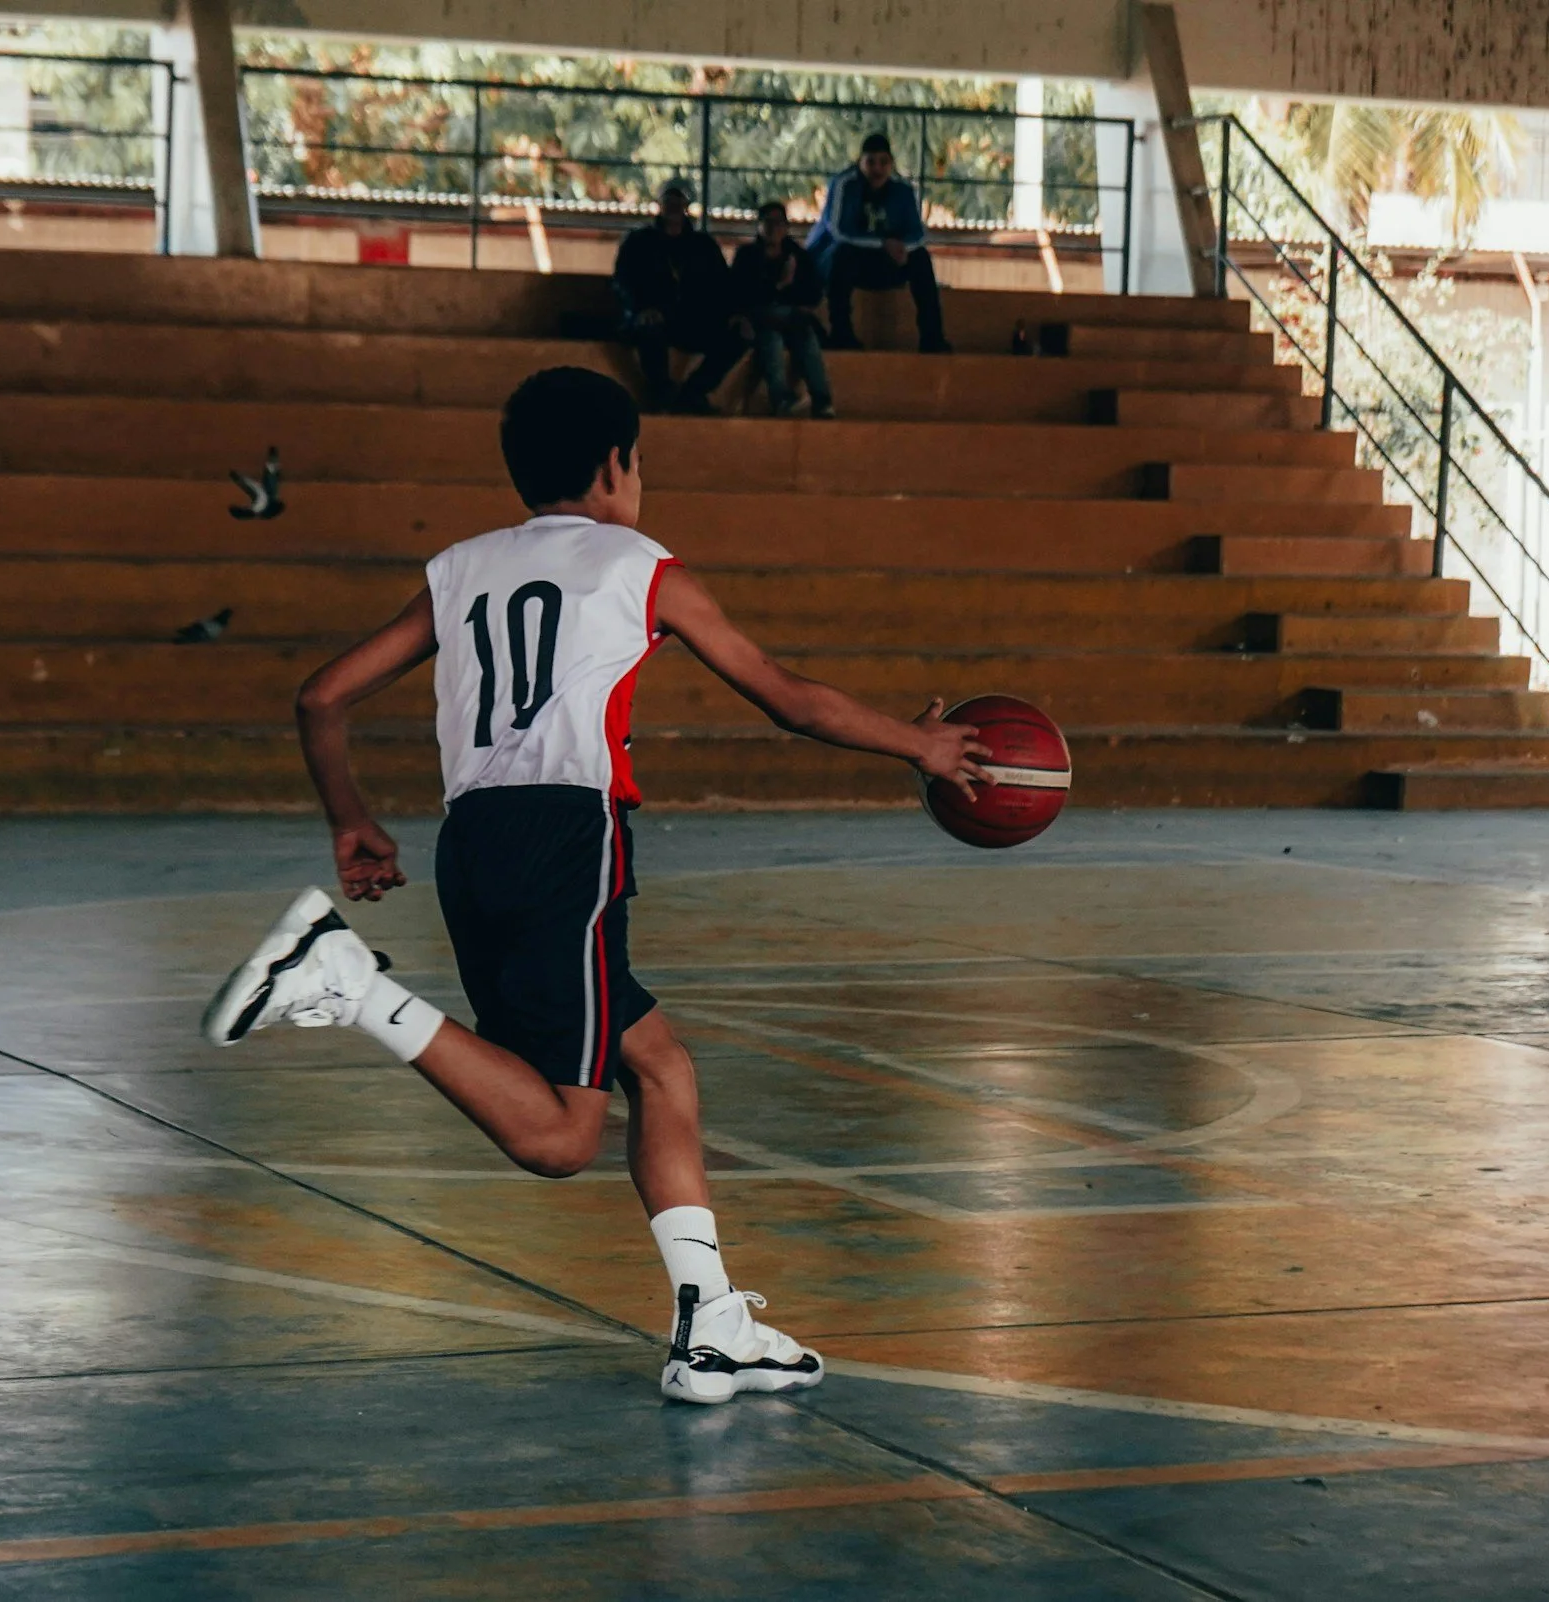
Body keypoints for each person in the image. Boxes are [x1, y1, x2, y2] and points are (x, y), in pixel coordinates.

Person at [201, 367, 990, 1404]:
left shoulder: (460, 566)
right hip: (568, 837)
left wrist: (352, 819)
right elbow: (787, 698)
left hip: (473, 838)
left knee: (658, 1065)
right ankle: (347, 981)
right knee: (563, 1136)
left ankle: (710, 1322)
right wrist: (919, 748)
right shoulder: (640, 566)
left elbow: (322, 696)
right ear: (619, 465)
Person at [806, 132, 951, 354]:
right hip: (844, 263)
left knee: (921, 258)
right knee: (842, 254)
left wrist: (901, 248)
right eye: (871, 162)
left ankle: (933, 338)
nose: (877, 169)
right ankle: (842, 333)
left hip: (885, 262)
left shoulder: (902, 190)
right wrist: (884, 243)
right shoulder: (844, 184)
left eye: (883, 162)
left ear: (891, 164)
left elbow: (917, 234)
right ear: (860, 162)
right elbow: (838, 231)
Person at [610, 181, 743, 415]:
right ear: (659, 205)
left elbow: (723, 286)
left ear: (686, 205)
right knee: (650, 331)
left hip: (692, 321)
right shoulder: (638, 242)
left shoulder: (703, 246)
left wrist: (731, 315)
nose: (673, 207)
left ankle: (693, 392)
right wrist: (640, 309)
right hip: (649, 318)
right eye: (668, 201)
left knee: (739, 335)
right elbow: (623, 282)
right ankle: (662, 394)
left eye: (678, 201)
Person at [730, 201, 835, 418]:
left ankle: (822, 400)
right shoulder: (747, 256)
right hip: (760, 319)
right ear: (759, 226)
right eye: (767, 222)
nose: (773, 228)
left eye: (778, 222)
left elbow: (812, 293)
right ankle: (781, 399)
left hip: (792, 321)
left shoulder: (798, 256)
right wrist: (779, 286)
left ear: (786, 227)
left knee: (802, 335)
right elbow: (742, 296)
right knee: (771, 337)